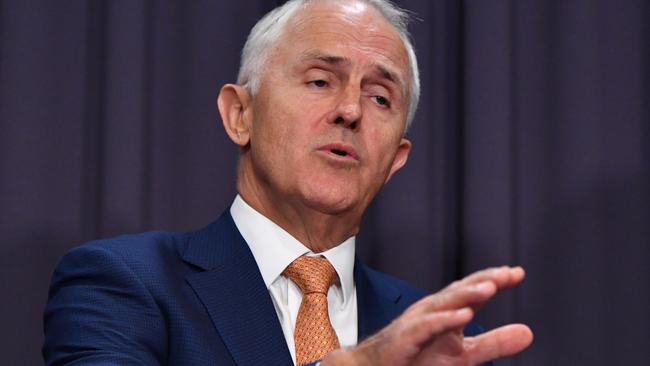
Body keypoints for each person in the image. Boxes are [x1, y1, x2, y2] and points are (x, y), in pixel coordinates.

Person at [43, 0, 533, 365]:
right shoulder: (124, 283)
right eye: (320, 81)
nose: (350, 111)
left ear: (395, 160)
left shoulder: (442, 341)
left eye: (381, 98)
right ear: (241, 115)